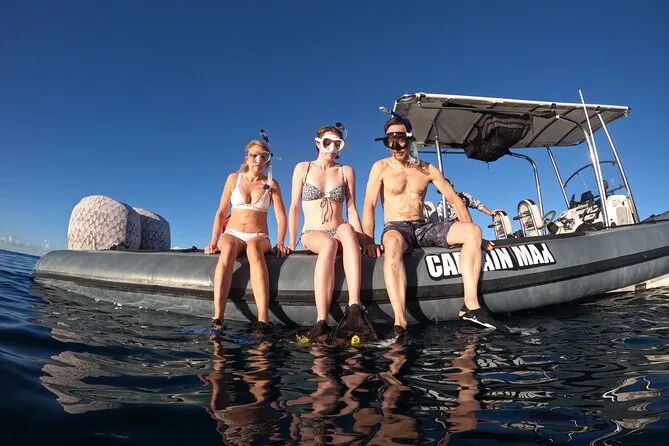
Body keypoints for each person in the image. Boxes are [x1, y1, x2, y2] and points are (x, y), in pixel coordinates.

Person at [362, 116, 509, 340]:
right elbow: (369, 205)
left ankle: (471, 306)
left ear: (409, 139)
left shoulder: (427, 169)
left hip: (423, 226)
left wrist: (476, 237)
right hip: (396, 227)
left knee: (473, 232)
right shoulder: (380, 167)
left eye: (400, 139)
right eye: (389, 141)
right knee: (391, 242)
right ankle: (400, 322)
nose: (395, 146)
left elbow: (455, 200)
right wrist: (368, 241)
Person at [288, 125, 376, 343]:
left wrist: (366, 241)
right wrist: (290, 241)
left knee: (346, 228)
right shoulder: (303, 168)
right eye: (328, 142)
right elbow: (294, 207)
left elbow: (351, 209)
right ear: (318, 143)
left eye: (338, 143)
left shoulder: (346, 171)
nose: (332, 147)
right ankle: (321, 320)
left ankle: (354, 308)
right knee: (328, 244)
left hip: (337, 229)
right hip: (313, 232)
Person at [204, 139, 289, 335]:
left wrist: (280, 242)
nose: (258, 160)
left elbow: (281, 216)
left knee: (253, 249)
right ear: (247, 158)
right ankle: (218, 317)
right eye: (254, 156)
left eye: (264, 157)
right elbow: (221, 211)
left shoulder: (271, 184)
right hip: (232, 233)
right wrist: (213, 241)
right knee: (227, 249)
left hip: (258, 236)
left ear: (268, 161)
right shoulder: (234, 178)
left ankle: (263, 319)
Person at [439, 180, 503, 222]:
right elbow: (441, 222)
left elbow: (477, 204)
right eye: (442, 190)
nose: (446, 190)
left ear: (452, 186)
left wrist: (490, 213)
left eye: (448, 187)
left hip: (468, 227)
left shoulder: (463, 196)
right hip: (454, 231)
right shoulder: (441, 205)